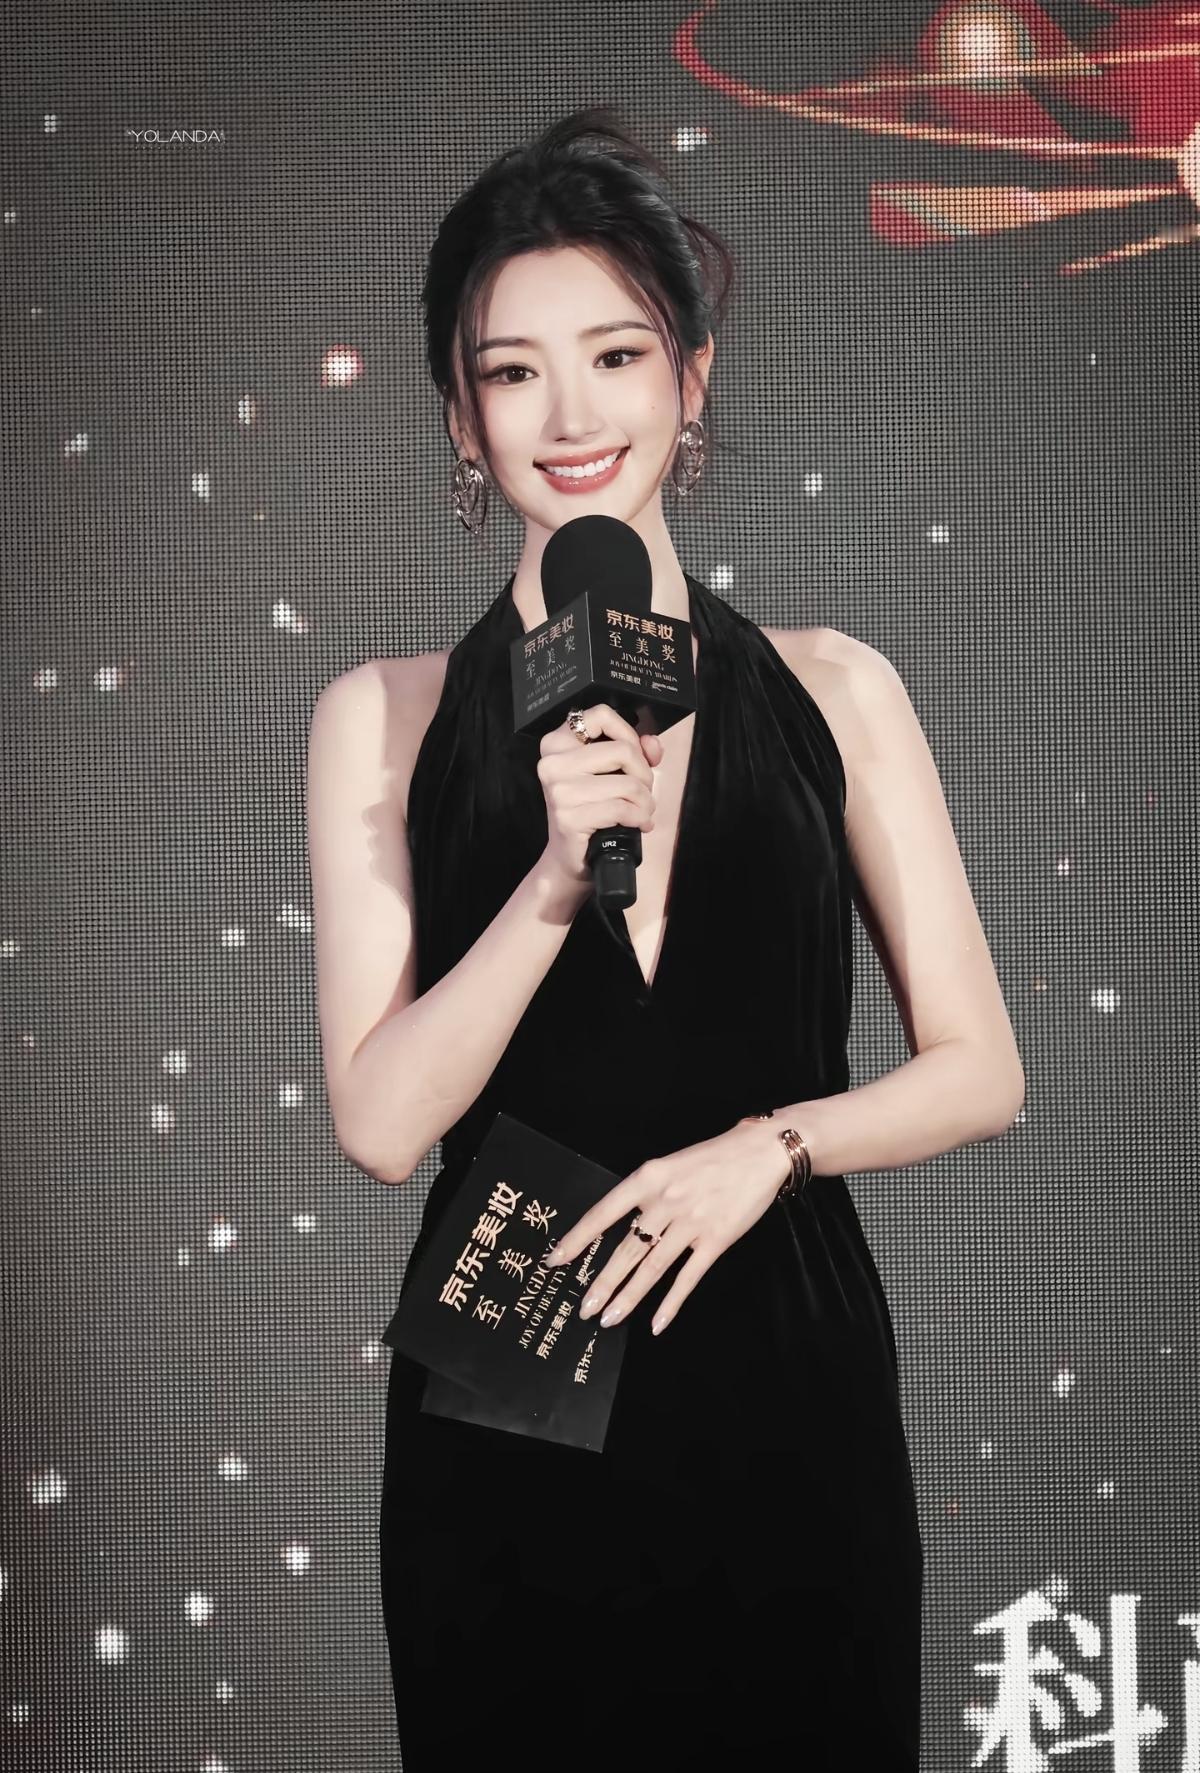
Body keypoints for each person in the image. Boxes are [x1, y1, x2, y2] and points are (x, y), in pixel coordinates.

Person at [305, 106, 1025, 1770]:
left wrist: (770, 1148)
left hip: (784, 1354)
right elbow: (383, 1122)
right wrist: (553, 881)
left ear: (693, 378)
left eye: (618, 356)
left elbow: (982, 1064)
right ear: (460, 413)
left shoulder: (838, 686)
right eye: (513, 373)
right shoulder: (384, 718)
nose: (571, 417)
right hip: (511, 1357)